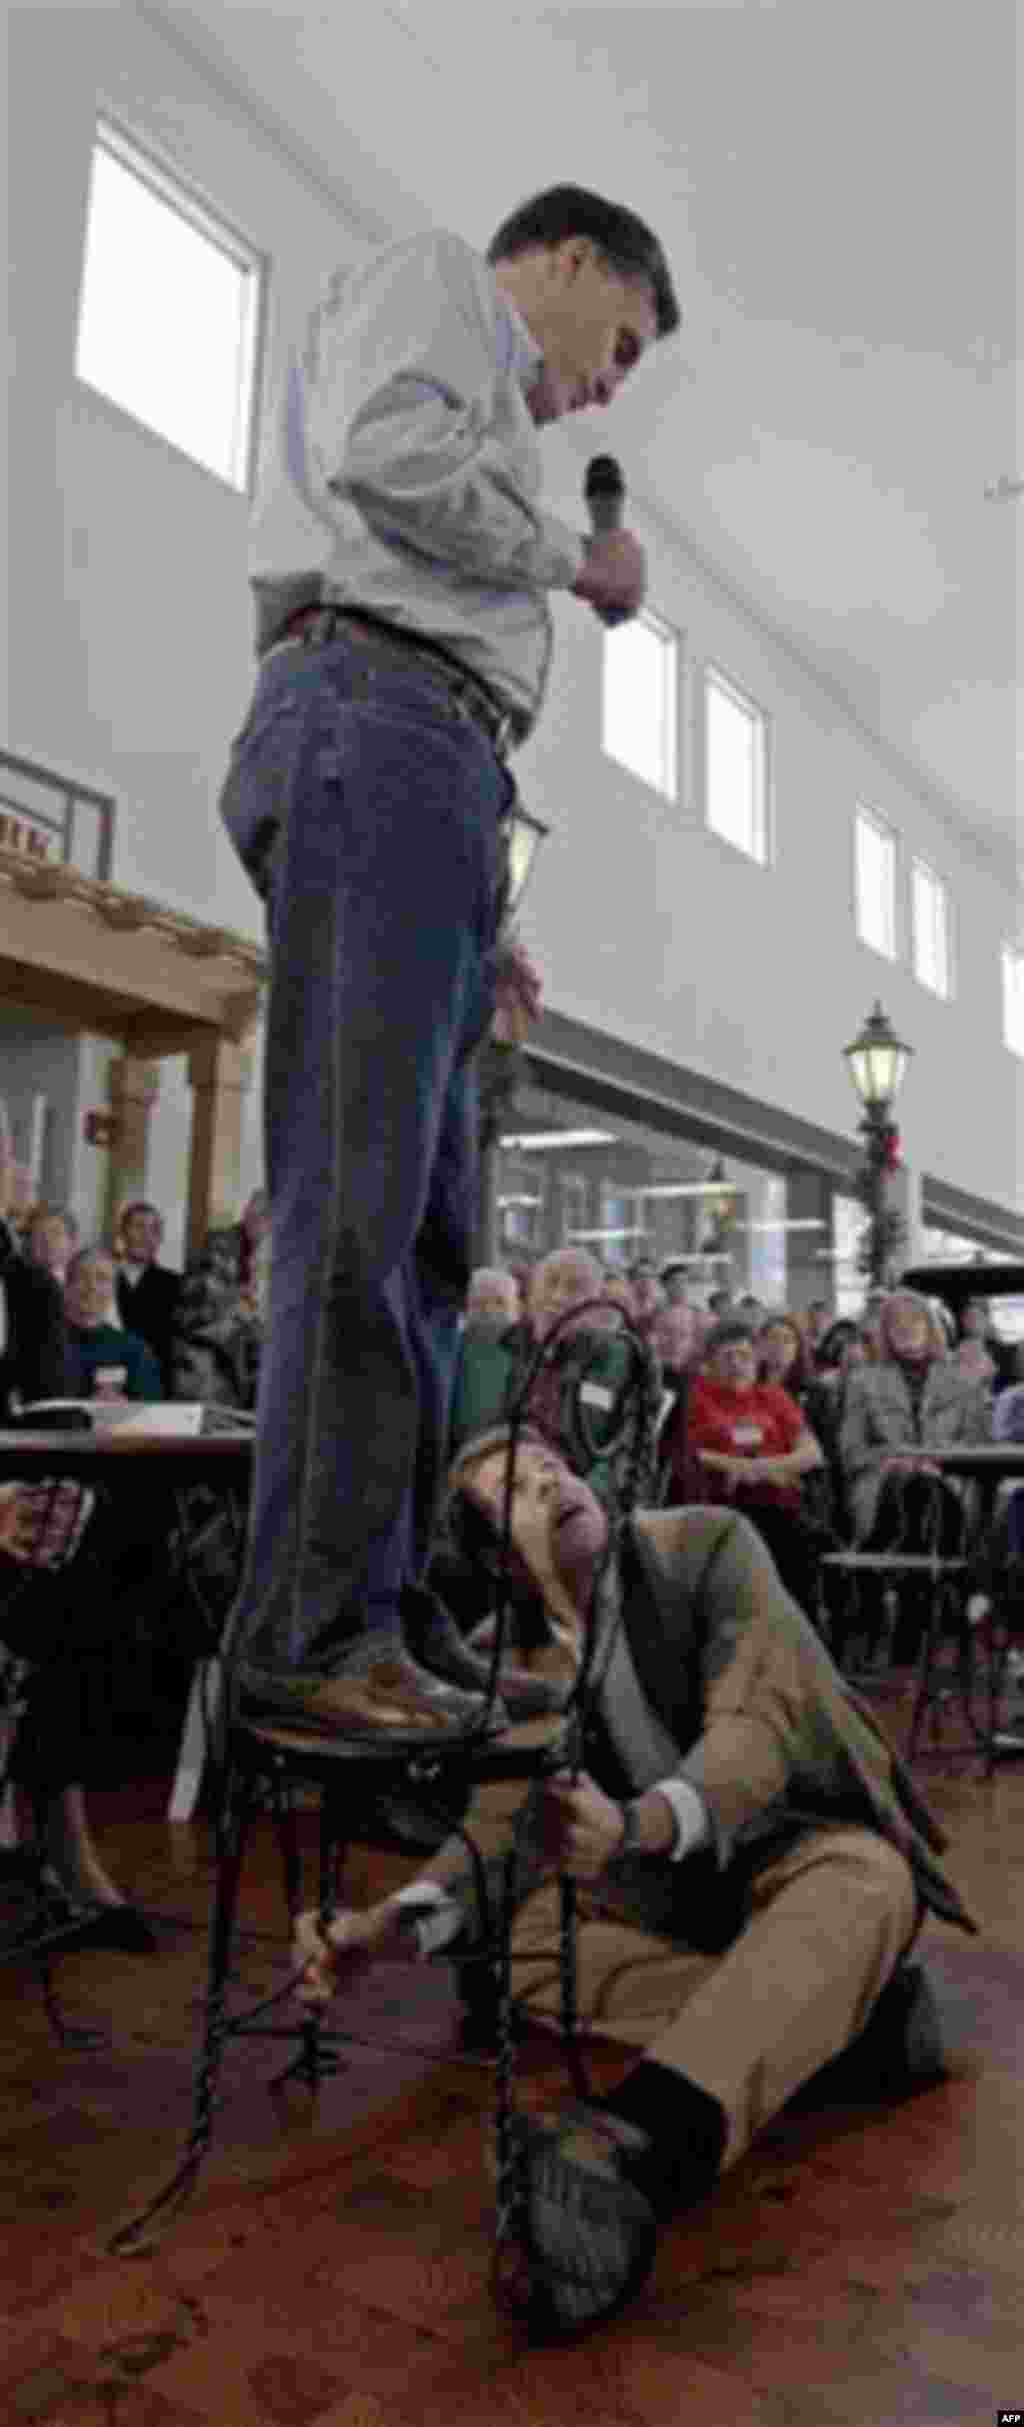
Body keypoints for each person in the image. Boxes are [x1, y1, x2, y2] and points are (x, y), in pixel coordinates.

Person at [222, 187, 679, 1744]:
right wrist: (567, 555)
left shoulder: (503, 395)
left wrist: (487, 899)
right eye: (617, 340)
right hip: (380, 724)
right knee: (355, 1206)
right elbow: (385, 457)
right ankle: (304, 1629)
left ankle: (386, 1601)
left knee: (429, 1240)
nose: (608, 385)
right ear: (565, 261)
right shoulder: (434, 282)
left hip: (439, 770)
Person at [296, 1424, 973, 2340]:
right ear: (502, 1560)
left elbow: (756, 1730)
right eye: (520, 1495)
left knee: (865, 1882)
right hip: (672, 1908)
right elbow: (501, 1825)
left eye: (553, 1469)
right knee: (510, 1953)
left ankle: (644, 2150)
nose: (554, 1486)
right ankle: (856, 2026)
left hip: (800, 1849)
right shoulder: (513, 1654)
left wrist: (639, 1822)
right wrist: (381, 1926)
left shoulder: (705, 1545)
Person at [662, 1316, 827, 1619]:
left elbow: (812, 1453)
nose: (738, 1364)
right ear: (709, 1363)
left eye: (745, 1356)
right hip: (722, 1504)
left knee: (798, 1544)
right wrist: (745, 1467)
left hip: (779, 1503)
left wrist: (760, 1467)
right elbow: (689, 1455)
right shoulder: (695, 1399)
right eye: (727, 1357)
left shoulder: (774, 1397)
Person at [171, 1189, 270, 1412]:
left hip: (245, 1368)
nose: (262, 1225)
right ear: (247, 1215)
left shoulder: (269, 1249)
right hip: (207, 1374)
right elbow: (205, 1309)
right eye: (256, 1216)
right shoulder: (220, 1245)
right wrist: (246, 1303)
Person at [64, 1249, 163, 1402]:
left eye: (102, 1279)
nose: (92, 1287)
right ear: (66, 1287)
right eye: (83, 1277)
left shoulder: (135, 1351)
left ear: (113, 1290)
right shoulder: (42, 1345)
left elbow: (151, 1413)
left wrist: (123, 1408)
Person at [114, 1201, 183, 1395]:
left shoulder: (176, 1284)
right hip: (108, 1381)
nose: (146, 1236)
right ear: (122, 1232)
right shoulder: (103, 1277)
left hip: (157, 1384)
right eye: (139, 1227)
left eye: (154, 1230)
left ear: (160, 1239)